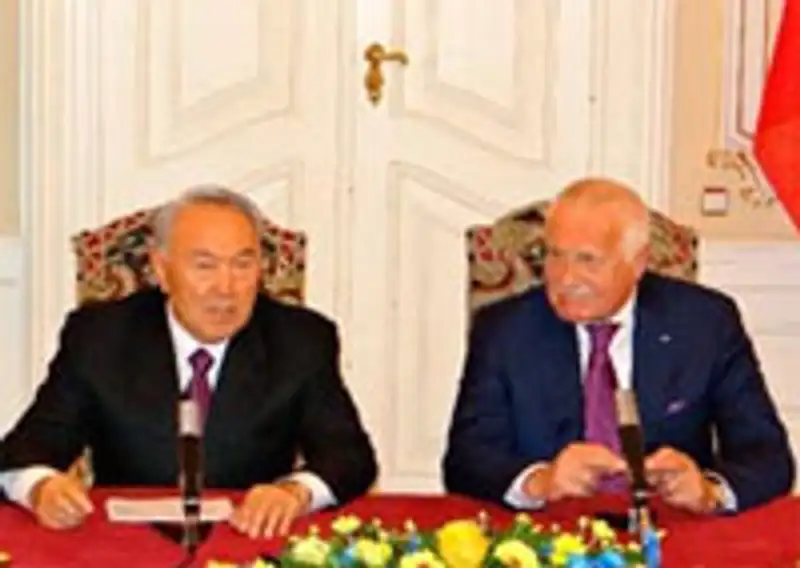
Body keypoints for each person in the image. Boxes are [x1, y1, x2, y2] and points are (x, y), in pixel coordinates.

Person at [0, 185, 378, 538]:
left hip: (248, 540)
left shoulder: (301, 340)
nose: (225, 288)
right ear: (161, 269)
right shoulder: (100, 337)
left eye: (242, 264)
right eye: (204, 265)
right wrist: (41, 487)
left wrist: (295, 492)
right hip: (130, 544)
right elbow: (27, 449)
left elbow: (349, 457)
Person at [443, 177, 795, 514]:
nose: (566, 278)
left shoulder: (705, 323)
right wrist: (540, 482)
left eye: (587, 259)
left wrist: (710, 491)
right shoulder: (504, 330)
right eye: (554, 255)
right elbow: (466, 462)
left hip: (669, 531)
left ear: (637, 262)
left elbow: (768, 457)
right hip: (549, 533)